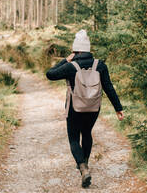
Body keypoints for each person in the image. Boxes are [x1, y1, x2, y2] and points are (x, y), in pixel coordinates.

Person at [46, 30, 124, 188]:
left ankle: (83, 167)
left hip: (75, 108)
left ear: (75, 50)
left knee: (74, 137)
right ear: (89, 49)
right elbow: (108, 87)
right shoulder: (99, 65)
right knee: (87, 132)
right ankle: (85, 162)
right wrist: (118, 108)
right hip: (94, 107)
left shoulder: (71, 66)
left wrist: (64, 60)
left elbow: (50, 74)